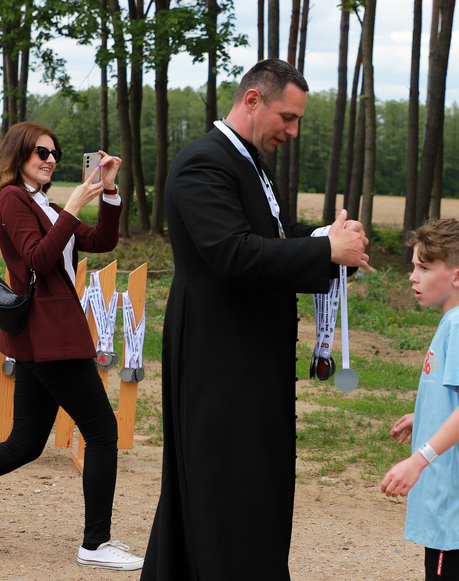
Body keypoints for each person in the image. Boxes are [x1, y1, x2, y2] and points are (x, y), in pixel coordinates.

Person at [141, 58, 370, 580]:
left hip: (249, 354)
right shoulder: (204, 162)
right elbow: (234, 254)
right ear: (252, 101)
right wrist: (324, 252)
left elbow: (274, 237)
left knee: (249, 483)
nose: (292, 131)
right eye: (287, 118)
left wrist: (326, 244)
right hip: (218, 355)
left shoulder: (247, 161)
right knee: (225, 485)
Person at [0, 122, 144, 570]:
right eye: (41, 151)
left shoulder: (44, 204)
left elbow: (101, 241)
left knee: (22, 445)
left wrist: (108, 193)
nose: (50, 159)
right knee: (103, 433)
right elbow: (36, 258)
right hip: (51, 338)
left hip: (43, 338)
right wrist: (71, 207)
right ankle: (95, 545)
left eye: (55, 152)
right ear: (19, 155)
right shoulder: (12, 200)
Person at [381, 218, 459, 581]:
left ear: (457, 276)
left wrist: (417, 462)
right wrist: (423, 414)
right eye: (413, 267)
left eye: (424, 267)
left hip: (453, 492)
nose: (413, 276)